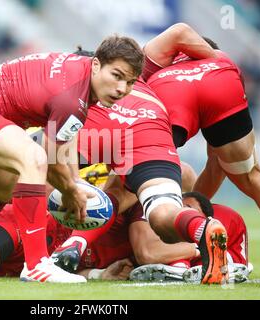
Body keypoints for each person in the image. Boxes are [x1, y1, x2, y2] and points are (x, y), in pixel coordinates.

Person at [0, 36, 143, 283]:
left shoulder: (77, 77)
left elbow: (63, 146)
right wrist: (71, 190)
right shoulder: (73, 99)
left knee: (1, 190)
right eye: (117, 75)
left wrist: (72, 183)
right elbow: (50, 158)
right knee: (34, 158)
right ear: (95, 65)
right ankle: (36, 264)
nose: (122, 89)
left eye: (130, 82)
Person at [52, 24, 230, 285]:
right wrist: (224, 65)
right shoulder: (188, 86)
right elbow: (222, 163)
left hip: (100, 137)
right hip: (151, 133)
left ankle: (62, 250)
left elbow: (179, 32)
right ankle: (200, 230)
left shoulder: (154, 68)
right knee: (162, 207)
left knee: (38, 163)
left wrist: (71, 185)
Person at [145, 36, 260, 218]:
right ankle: (185, 222)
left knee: (144, 170)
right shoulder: (222, 60)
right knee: (251, 176)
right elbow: (216, 165)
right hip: (222, 81)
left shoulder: (160, 64)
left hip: (168, 88)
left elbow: (179, 31)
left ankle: (139, 232)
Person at [130, 191, 251, 284]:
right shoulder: (159, 209)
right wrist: (199, 249)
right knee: (176, 249)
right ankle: (179, 268)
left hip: (220, 249)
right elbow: (147, 254)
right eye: (180, 206)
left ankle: (181, 268)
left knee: (224, 257)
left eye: (188, 208)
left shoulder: (226, 218)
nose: (182, 210)